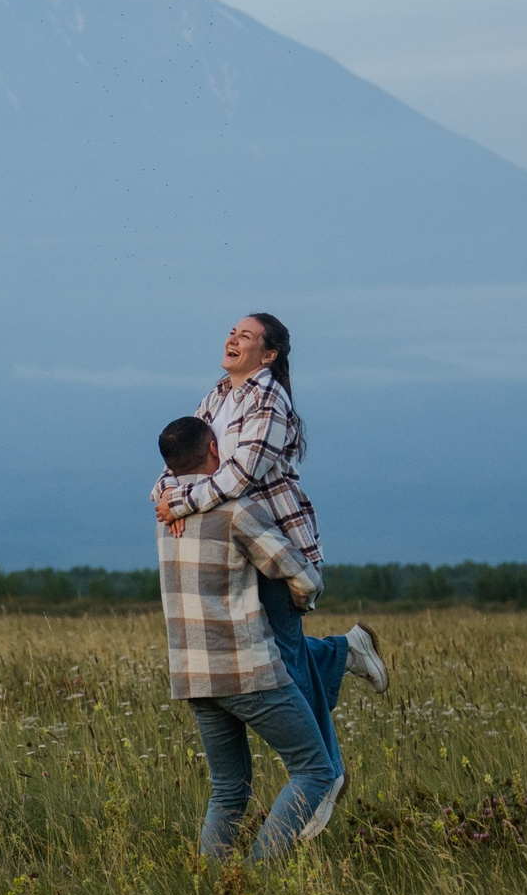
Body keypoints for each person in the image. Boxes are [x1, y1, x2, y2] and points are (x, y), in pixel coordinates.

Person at [156, 312, 387, 834]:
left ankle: (327, 774)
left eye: (246, 335)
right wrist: (164, 496)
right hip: (231, 543)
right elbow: (187, 457)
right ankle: (342, 652)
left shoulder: (269, 402)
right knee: (279, 652)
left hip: (276, 542)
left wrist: (180, 503)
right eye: (231, 331)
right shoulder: (215, 396)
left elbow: (238, 476)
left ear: (270, 354)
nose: (232, 338)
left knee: (282, 656)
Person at [153, 415, 340, 860]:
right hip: (246, 668)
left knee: (228, 793)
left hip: (193, 676)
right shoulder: (237, 510)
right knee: (315, 771)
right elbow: (302, 575)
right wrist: (299, 601)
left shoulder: (165, 516)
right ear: (215, 450)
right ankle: (258, 873)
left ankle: (215, 891)